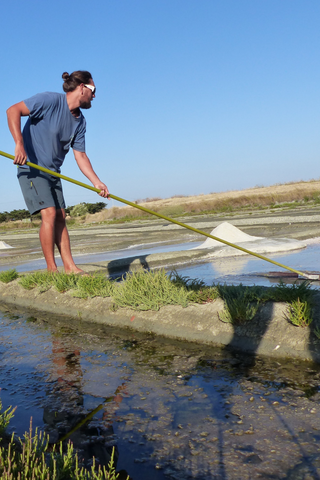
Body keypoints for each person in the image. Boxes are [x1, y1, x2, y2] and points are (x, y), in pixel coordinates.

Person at [6, 70, 109, 274]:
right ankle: (52, 270)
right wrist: (19, 144)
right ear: (82, 88)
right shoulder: (49, 100)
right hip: (32, 169)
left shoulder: (80, 121)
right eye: (93, 90)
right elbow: (12, 111)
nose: (95, 95)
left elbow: (80, 155)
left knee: (61, 215)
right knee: (50, 214)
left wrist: (96, 182)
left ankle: (69, 267)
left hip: (54, 173)